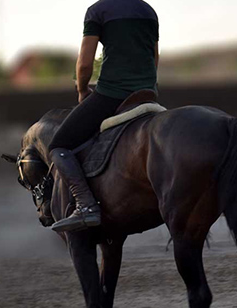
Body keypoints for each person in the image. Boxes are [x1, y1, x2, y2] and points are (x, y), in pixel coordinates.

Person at [48, 0, 160, 232]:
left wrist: (82, 90)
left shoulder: (98, 11)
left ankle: (86, 205)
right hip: (147, 93)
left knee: (59, 145)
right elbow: (154, 57)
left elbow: (84, 65)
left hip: (113, 94)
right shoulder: (148, 10)